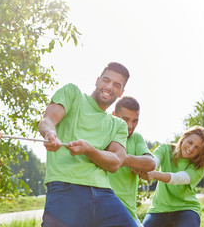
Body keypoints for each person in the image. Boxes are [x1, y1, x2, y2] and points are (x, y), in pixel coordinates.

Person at [38, 62, 138, 226]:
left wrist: (89, 150)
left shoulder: (118, 124)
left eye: (116, 85)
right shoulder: (73, 94)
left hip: (104, 194)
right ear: (98, 80)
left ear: (121, 92)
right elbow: (47, 120)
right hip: (65, 187)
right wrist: (50, 133)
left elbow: (115, 162)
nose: (108, 87)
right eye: (106, 80)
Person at [141, 126, 204, 227]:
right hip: (159, 209)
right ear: (183, 138)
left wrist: (153, 174)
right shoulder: (165, 149)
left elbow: (180, 178)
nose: (191, 149)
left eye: (197, 147)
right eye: (190, 142)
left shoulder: (200, 165)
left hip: (186, 209)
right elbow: (153, 162)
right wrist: (146, 168)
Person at [108, 96, 156, 226]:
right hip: (103, 209)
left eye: (135, 121)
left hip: (128, 211)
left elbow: (150, 163)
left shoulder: (136, 138)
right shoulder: (104, 134)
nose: (130, 126)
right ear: (114, 115)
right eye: (125, 119)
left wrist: (123, 159)